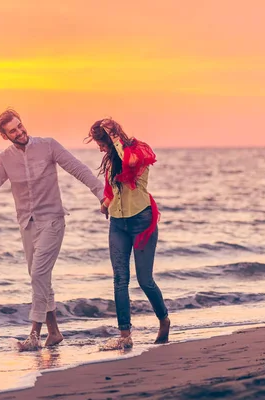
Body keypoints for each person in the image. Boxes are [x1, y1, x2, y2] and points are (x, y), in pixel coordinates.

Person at [0, 108, 105, 351]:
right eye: (13, 131)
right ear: (5, 136)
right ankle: (55, 333)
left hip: (52, 220)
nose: (20, 132)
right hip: (27, 225)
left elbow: (78, 169)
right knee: (40, 278)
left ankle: (33, 335)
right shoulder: (5, 158)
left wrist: (102, 194)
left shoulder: (48, 145)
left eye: (20, 126)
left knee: (38, 274)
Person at [85, 118, 170, 350]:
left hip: (141, 221)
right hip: (118, 224)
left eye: (101, 142)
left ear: (111, 138)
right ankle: (125, 334)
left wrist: (115, 139)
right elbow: (112, 190)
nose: (100, 148)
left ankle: (164, 319)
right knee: (120, 280)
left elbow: (130, 162)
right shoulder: (112, 160)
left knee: (145, 280)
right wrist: (106, 204)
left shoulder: (138, 150)